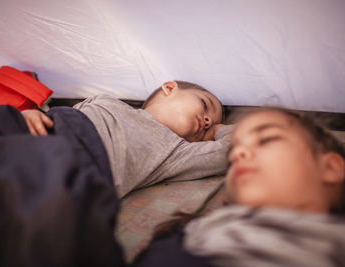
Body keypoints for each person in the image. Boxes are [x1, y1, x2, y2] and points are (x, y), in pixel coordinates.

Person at [134, 107, 345, 267]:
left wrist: (216, 129)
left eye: (267, 139)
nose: (237, 153)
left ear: (329, 167)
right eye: (235, 149)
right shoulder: (181, 235)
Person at [21, 80, 232, 198]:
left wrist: (217, 131)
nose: (206, 120)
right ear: (169, 88)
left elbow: (235, 147)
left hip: (74, 171)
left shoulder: (176, 152)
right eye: (205, 105)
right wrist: (29, 114)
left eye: (209, 125)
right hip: (38, 135)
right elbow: (63, 116)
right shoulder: (106, 100)